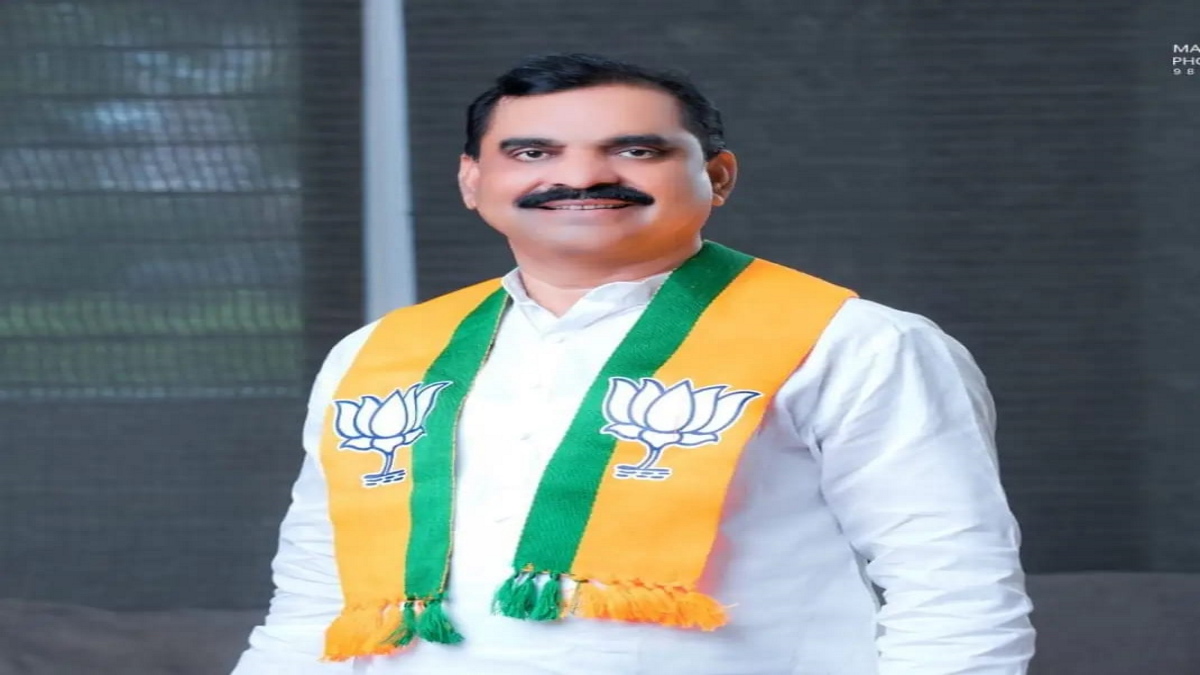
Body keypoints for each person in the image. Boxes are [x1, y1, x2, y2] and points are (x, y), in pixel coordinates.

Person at [232, 53, 1035, 675]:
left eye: (636, 149)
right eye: (532, 151)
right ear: (473, 181)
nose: (581, 176)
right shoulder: (378, 355)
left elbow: (954, 590)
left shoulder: (854, 342)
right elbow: (314, 601)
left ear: (716, 176)